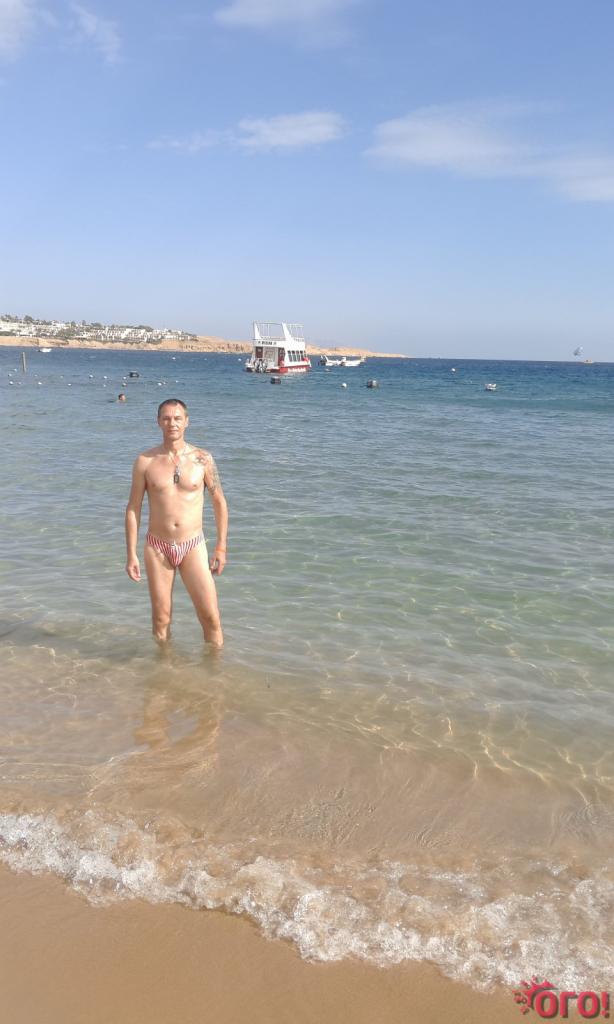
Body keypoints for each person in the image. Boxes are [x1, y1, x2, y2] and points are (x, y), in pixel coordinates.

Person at [124, 398, 227, 647]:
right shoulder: (145, 461)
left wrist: (221, 548)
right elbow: (133, 508)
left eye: (178, 418)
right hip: (157, 546)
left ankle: (214, 668)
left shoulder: (202, 459)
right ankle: (164, 667)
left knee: (210, 618)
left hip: (193, 544)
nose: (172, 423)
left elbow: (219, 502)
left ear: (187, 422)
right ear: (158, 422)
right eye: (167, 418)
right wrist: (131, 554)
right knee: (161, 619)